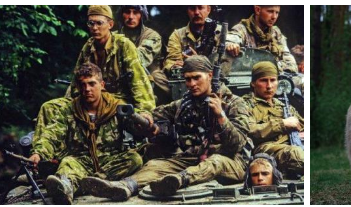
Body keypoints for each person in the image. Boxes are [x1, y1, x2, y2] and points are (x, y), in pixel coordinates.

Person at [79, 55, 252, 201]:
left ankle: (179, 180)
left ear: (210, 75)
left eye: (196, 78)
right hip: (196, 157)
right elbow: (157, 114)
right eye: (187, 79)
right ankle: (126, 186)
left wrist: (221, 116)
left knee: (216, 162)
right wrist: (146, 117)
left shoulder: (234, 103)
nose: (191, 84)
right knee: (156, 164)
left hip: (232, 162)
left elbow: (236, 145)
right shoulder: (185, 104)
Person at [34, 5, 156, 154]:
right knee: (49, 107)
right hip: (90, 98)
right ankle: (41, 158)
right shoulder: (88, 47)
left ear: (110, 25)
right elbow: (76, 83)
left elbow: (139, 82)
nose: (95, 28)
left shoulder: (124, 46)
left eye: (99, 23)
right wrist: (68, 106)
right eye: (91, 23)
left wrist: (146, 111)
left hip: (116, 100)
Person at [29, 63, 148, 204]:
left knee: (134, 159)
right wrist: (38, 153)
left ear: (102, 85)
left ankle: (93, 183)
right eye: (82, 85)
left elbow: (135, 125)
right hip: (81, 159)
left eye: (92, 84)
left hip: (110, 159)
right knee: (67, 163)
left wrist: (143, 122)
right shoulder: (70, 109)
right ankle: (67, 188)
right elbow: (51, 134)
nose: (87, 89)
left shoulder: (116, 107)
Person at [154, 5, 236, 104]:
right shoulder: (178, 35)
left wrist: (197, 62)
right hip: (186, 80)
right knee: (156, 76)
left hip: (213, 79)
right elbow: (171, 62)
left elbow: (224, 61)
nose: (196, 12)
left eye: (200, 8)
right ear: (188, 11)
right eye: (192, 8)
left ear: (208, 10)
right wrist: (182, 66)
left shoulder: (221, 32)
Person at [241, 61, 304, 179]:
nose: (269, 86)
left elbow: (301, 124)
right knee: (296, 153)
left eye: (273, 80)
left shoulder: (282, 105)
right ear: (253, 83)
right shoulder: (244, 104)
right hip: (265, 149)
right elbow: (250, 130)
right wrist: (283, 123)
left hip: (292, 144)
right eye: (264, 80)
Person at [226, 5, 298, 72]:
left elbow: (289, 60)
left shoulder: (276, 33)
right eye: (270, 11)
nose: (274, 17)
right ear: (257, 10)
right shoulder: (242, 29)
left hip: (273, 77)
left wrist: (280, 69)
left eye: (277, 13)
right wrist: (232, 45)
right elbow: (230, 41)